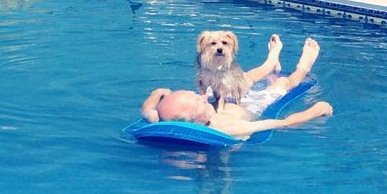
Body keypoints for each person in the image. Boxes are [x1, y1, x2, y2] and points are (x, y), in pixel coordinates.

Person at [140, 36, 332, 140]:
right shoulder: (228, 127)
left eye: (197, 94)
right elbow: (284, 123)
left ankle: (272, 60)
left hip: (229, 95)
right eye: (199, 101)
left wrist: (158, 94)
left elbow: (147, 109)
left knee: (245, 78)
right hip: (253, 105)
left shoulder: (161, 117)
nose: (204, 96)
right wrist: (317, 110)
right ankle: (304, 65)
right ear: (192, 120)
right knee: (283, 83)